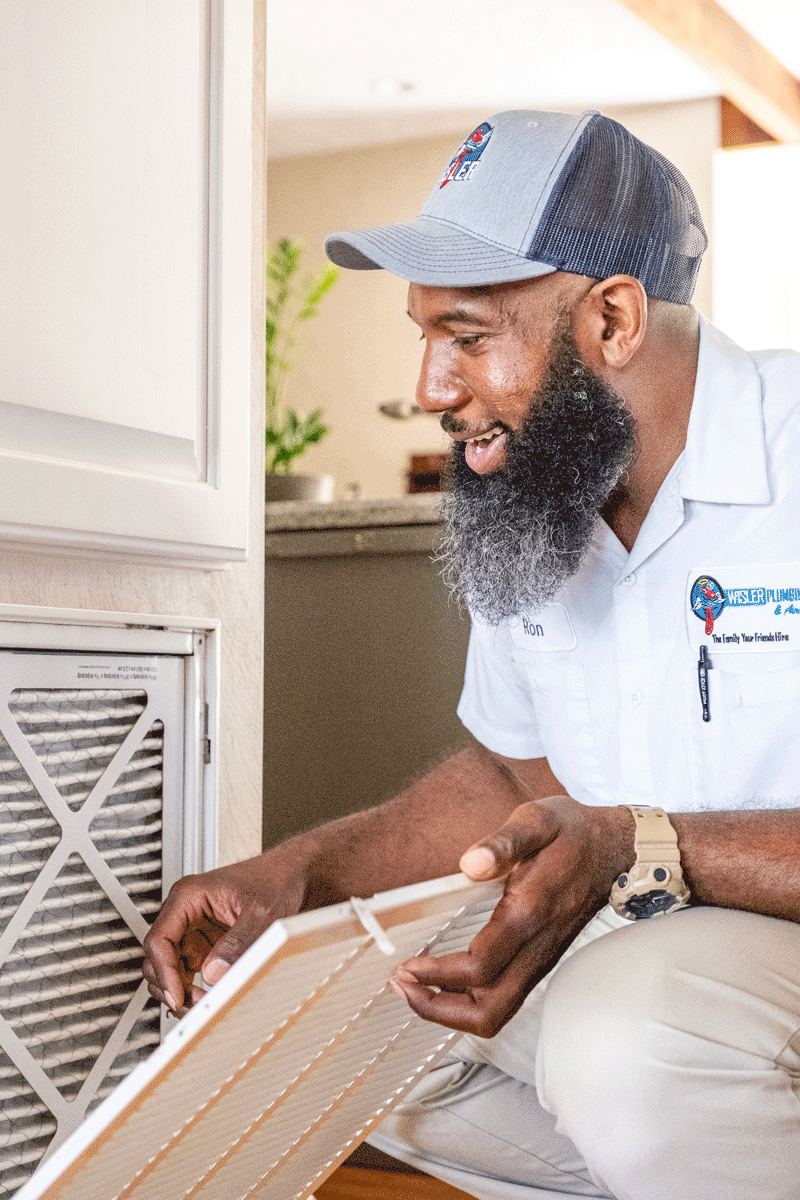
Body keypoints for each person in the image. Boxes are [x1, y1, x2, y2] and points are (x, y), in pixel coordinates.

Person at [143, 110, 800, 1199]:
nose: (430, 389)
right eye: (423, 336)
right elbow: (512, 772)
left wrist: (641, 846)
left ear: (611, 319)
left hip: (721, 972)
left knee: (623, 1032)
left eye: (465, 335)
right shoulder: (541, 495)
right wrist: (301, 875)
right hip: (661, 971)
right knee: (315, 1017)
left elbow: (614, 845)